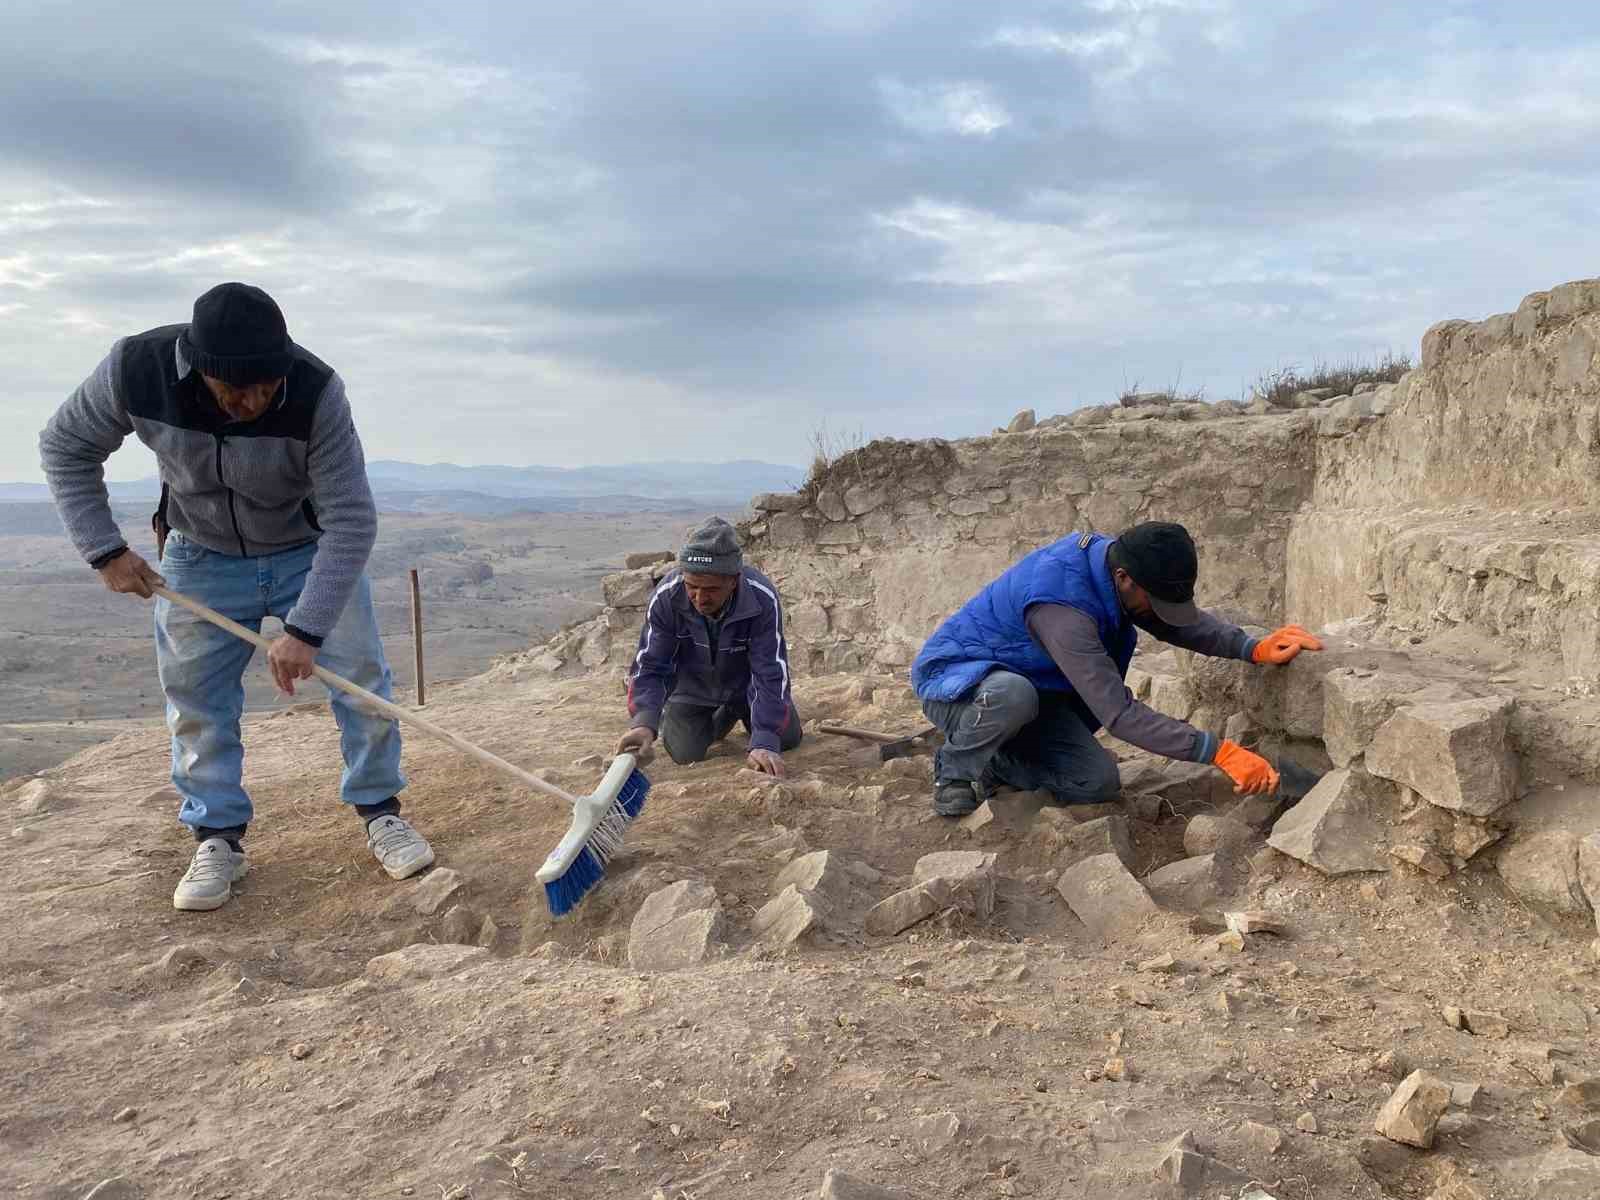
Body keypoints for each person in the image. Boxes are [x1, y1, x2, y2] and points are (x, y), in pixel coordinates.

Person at [38, 282, 433, 911]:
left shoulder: (315, 390)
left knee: (361, 681)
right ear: (200, 372)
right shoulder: (135, 370)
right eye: (234, 391)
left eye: (265, 388)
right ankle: (217, 836)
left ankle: (380, 810)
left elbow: (352, 519)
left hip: (307, 548)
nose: (251, 402)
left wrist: (305, 631)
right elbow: (64, 445)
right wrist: (104, 550)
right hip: (199, 552)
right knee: (197, 700)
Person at [911, 521, 1322, 817]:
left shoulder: (1117, 566)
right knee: (1010, 694)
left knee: (1097, 783)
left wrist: (1252, 647)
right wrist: (1221, 752)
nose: (1157, 614)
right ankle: (955, 771)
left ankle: (995, 759)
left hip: (1038, 691)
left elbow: (1173, 622)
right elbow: (1120, 714)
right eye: (1154, 601)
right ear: (1123, 579)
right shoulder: (1063, 609)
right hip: (959, 685)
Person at [616, 517, 801, 777]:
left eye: (711, 589)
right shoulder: (666, 598)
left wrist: (765, 740)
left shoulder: (761, 598)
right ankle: (723, 715)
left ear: (734, 580)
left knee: (786, 739)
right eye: (692, 587)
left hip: (747, 687)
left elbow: (770, 670)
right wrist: (644, 722)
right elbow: (650, 665)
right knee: (684, 753)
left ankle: (744, 710)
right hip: (692, 690)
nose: (700, 598)